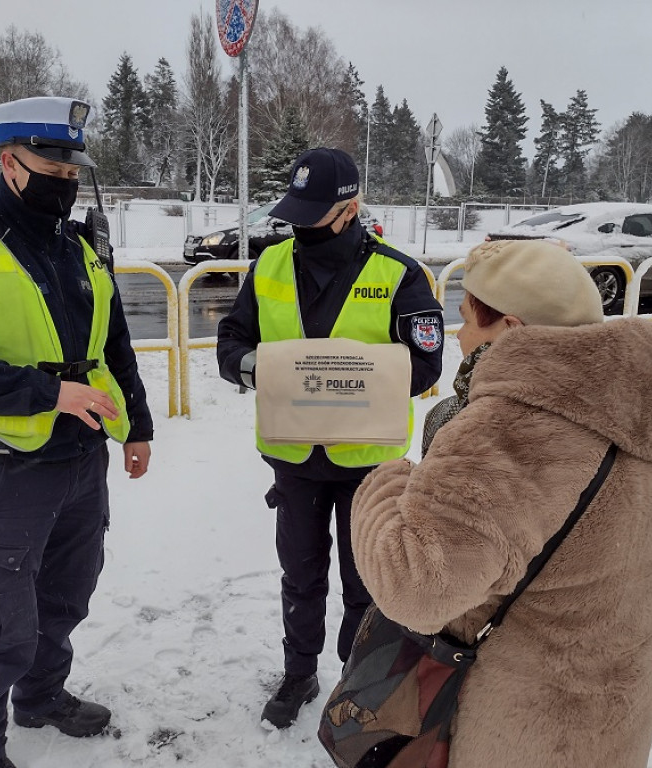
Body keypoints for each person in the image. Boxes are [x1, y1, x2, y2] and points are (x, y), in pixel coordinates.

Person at [349, 239, 652, 768]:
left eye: (467, 319)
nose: (458, 335)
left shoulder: (510, 430)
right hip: (618, 711)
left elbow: (415, 587)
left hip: (520, 724)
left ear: (509, 329)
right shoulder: (637, 407)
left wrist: (388, 483)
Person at [0, 96, 153, 768]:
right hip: (8, 464)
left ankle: (42, 697)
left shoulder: (81, 248)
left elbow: (116, 345)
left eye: (74, 168)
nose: (67, 179)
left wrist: (137, 427)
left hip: (83, 457)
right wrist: (48, 393)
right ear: (9, 164)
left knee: (66, 593)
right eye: (52, 165)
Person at [217, 147, 444, 729]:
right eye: (296, 210)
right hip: (294, 459)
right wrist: (260, 368)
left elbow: (426, 366)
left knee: (365, 581)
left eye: (314, 212)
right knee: (300, 574)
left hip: (368, 465)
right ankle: (299, 673)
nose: (300, 224)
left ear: (350, 208)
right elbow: (231, 342)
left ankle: (357, 683)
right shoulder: (268, 265)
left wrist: (350, 375)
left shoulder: (399, 274)